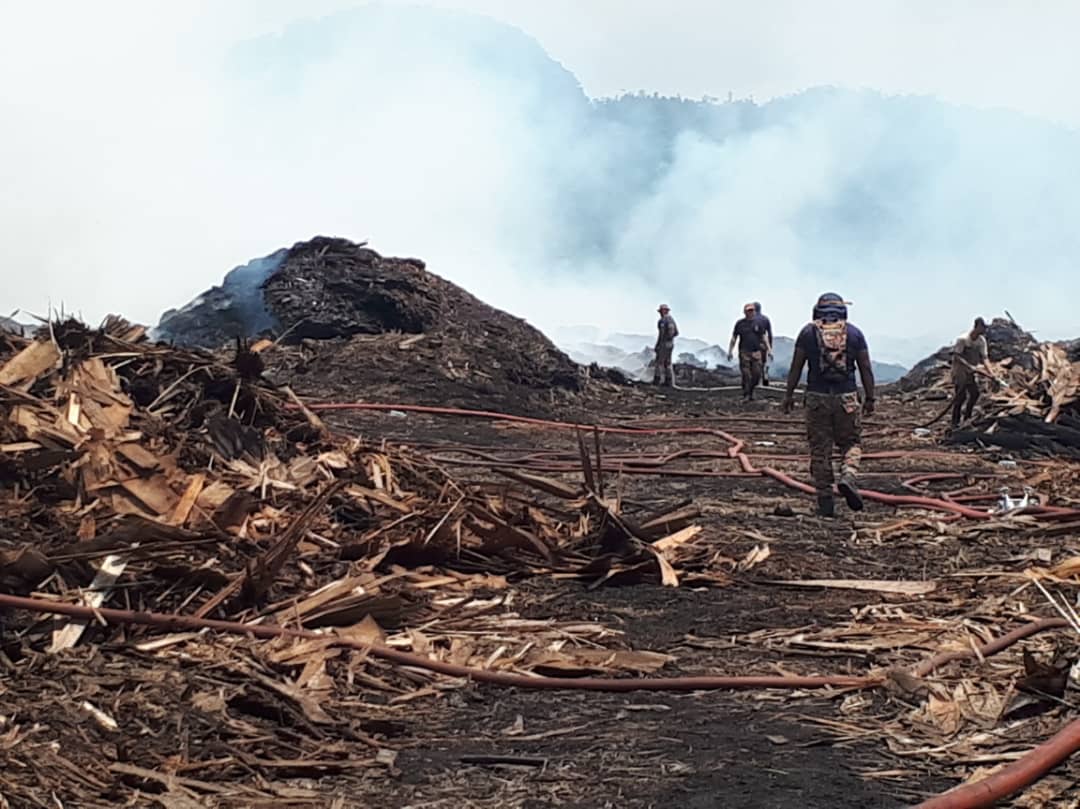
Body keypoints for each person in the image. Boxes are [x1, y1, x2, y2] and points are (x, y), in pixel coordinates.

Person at [782, 293, 875, 517]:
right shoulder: (854, 333)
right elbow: (865, 368)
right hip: (847, 398)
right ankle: (848, 474)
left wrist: (788, 395)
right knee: (851, 443)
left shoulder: (807, 333)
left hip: (817, 398)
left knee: (820, 450)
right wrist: (870, 398)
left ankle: (825, 502)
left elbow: (796, 367)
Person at [951, 317, 991, 428]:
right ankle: (955, 422)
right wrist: (969, 366)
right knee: (960, 396)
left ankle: (967, 418)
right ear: (977, 326)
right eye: (983, 327)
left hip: (971, 372)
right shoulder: (963, 340)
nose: (985, 330)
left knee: (975, 394)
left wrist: (991, 373)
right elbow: (957, 356)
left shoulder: (981, 341)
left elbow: (985, 358)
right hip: (960, 371)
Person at [728, 303, 770, 401]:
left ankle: (751, 391)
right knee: (746, 374)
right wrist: (730, 351)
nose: (751, 312)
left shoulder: (759, 324)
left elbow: (764, 336)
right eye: (749, 311)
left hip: (756, 352)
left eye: (752, 310)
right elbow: (734, 338)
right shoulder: (740, 324)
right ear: (745, 312)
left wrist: (769, 349)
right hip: (744, 352)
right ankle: (747, 394)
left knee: (757, 373)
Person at [653, 304, 678, 387]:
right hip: (671, 344)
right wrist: (670, 339)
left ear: (664, 311)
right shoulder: (672, 320)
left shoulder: (663, 320)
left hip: (664, 344)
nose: (660, 313)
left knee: (659, 362)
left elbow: (661, 334)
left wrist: (658, 345)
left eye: (661, 311)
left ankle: (657, 380)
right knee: (668, 363)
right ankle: (669, 381)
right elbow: (676, 332)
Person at [753, 302, 773, 386]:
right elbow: (770, 334)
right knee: (763, 363)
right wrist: (770, 348)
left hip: (753, 345)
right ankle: (765, 376)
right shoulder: (765, 319)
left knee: (754, 363)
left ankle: (756, 382)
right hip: (763, 345)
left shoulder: (751, 319)